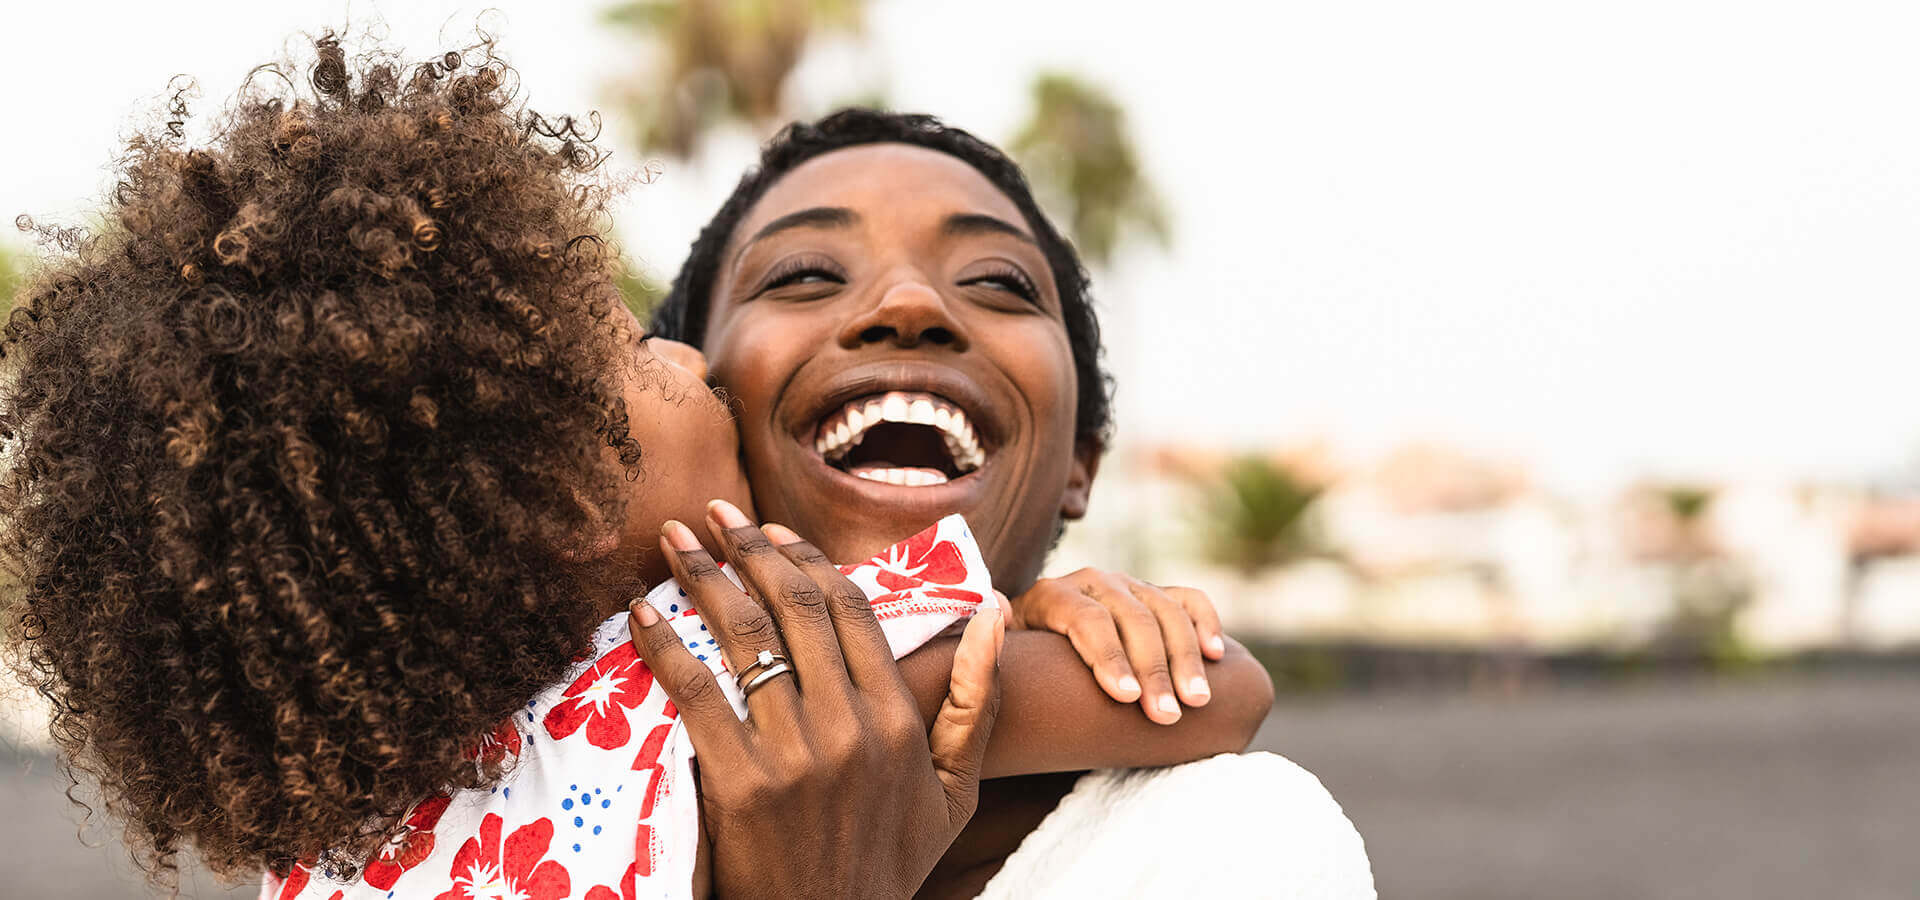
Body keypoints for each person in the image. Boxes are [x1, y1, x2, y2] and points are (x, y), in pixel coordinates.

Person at [0, 33, 1295, 899]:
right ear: (558, 503)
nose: (685, 370)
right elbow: (1210, 695)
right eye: (633, 352)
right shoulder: (738, 660)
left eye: (996, 281)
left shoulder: (369, 847)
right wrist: (1064, 629)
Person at [651, 108, 1375, 897]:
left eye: (997, 281)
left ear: (1079, 464)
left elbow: (1232, 687)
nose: (908, 304)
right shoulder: (509, 749)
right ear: (687, 395)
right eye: (804, 275)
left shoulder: (1228, 842)